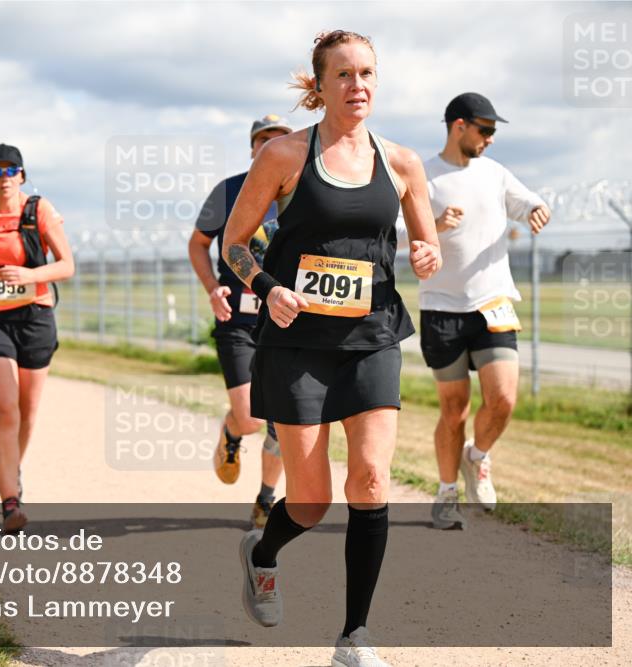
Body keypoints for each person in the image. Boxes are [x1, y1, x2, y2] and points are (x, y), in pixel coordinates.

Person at [223, 31, 440, 666]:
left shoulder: (401, 162)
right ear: (320, 86)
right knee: (312, 501)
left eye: (367, 72)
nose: (358, 85)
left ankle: (354, 637)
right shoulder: (285, 156)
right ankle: (263, 554)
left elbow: (426, 243)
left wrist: (428, 252)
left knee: (371, 480)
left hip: (373, 338)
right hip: (297, 345)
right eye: (342, 75)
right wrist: (267, 287)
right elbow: (236, 243)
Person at [420, 93, 550, 529]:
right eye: (485, 130)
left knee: (504, 399)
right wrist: (435, 226)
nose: (491, 140)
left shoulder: (494, 173)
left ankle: (477, 457)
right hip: (441, 309)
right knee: (453, 409)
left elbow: (526, 200)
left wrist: (535, 209)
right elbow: (394, 232)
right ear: (459, 126)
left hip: (492, 304)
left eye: (494, 132)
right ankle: (445, 493)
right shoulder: (424, 176)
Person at [0, 144, 74, 533]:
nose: (4, 178)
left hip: (35, 316)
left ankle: (11, 471)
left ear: (22, 175)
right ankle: (9, 502)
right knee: (4, 407)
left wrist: (29, 276)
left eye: (11, 171)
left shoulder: (40, 211)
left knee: (27, 410)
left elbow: (66, 265)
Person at [188, 114, 290, 529]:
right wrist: (212, 286)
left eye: (280, 139)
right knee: (249, 417)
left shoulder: (302, 193)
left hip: (285, 320)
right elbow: (198, 245)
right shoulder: (229, 190)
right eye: (263, 139)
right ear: (252, 147)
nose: (270, 145)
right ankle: (232, 434)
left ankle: (266, 498)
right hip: (236, 318)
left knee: (282, 422)